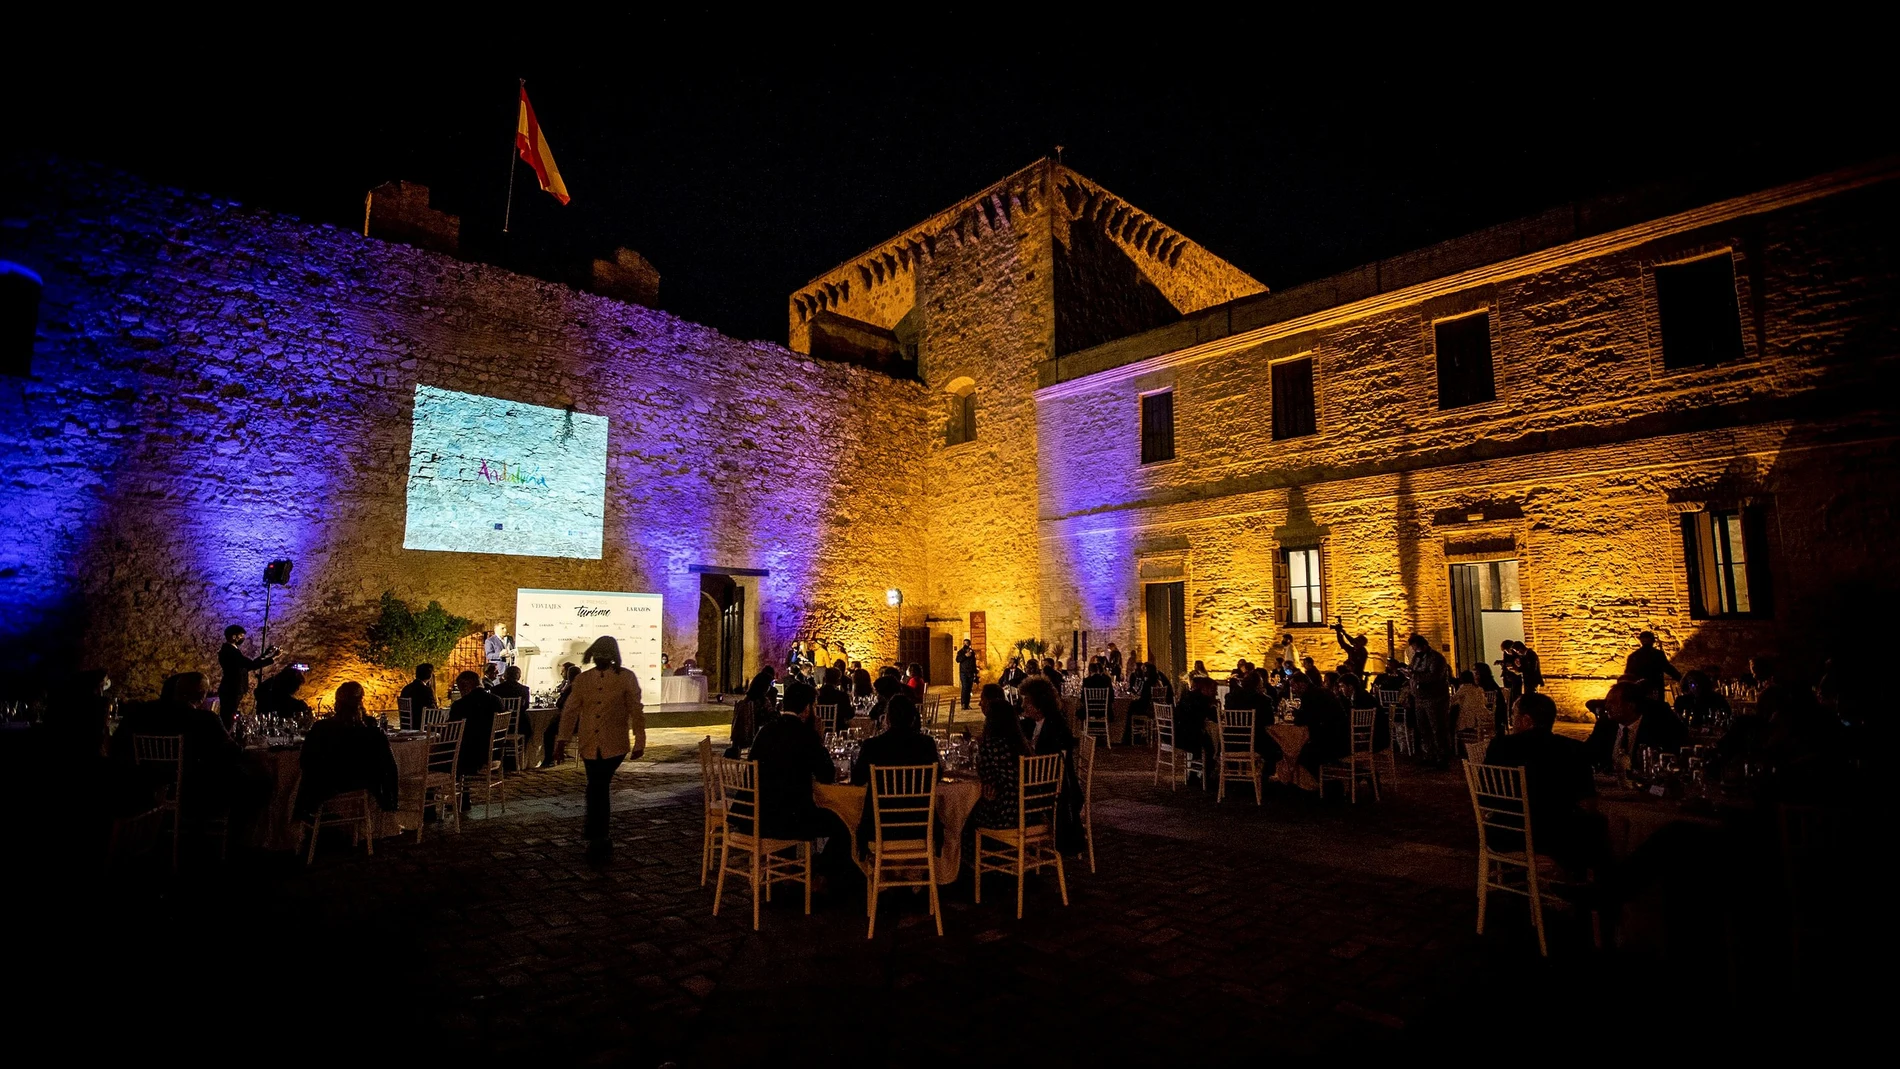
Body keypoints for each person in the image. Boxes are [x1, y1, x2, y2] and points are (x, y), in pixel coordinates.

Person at [1480, 692, 1607, 875]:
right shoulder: (1572, 748)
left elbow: (1485, 794)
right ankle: (1589, 882)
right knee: (1596, 825)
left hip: (1506, 832)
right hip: (1556, 835)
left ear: (1525, 720)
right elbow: (1587, 803)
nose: (1512, 721)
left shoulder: (1500, 746)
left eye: (1514, 716)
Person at [745, 682, 852, 880]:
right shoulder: (805, 735)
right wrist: (819, 740)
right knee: (845, 824)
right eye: (814, 706)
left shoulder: (765, 731)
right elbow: (826, 775)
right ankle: (822, 876)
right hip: (791, 821)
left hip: (757, 816)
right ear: (806, 709)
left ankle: (786, 870)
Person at [112, 671, 251, 819]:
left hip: (141, 782)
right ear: (202, 695)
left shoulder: (140, 712)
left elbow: (117, 742)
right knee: (252, 781)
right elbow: (233, 752)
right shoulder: (206, 719)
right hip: (192, 786)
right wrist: (243, 745)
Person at [559, 636, 646, 859]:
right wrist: (562, 740)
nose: (601, 658)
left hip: (614, 743)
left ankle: (597, 834)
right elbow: (570, 711)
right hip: (590, 742)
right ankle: (597, 834)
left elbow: (636, 710)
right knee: (596, 786)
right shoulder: (583, 679)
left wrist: (639, 740)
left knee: (598, 785)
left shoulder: (626, 678)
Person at [295, 681, 398, 820]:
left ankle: (304, 818)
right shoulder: (372, 730)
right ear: (361, 700)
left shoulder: (321, 728)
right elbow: (388, 764)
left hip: (329, 786)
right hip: (363, 782)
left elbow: (306, 761)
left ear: (337, 701)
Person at [971, 686, 1030, 831]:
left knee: (964, 816)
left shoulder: (991, 745)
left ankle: (977, 852)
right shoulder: (1020, 743)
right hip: (1029, 811)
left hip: (1004, 813)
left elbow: (987, 781)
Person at [850, 693, 940, 785]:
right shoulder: (927, 744)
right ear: (913, 719)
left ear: (887, 719)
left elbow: (858, 779)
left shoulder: (872, 745)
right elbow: (937, 776)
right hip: (918, 799)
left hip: (881, 799)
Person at [446, 670, 502, 804]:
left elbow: (451, 732)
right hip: (494, 752)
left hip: (472, 756)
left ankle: (430, 807)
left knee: (436, 760)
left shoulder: (460, 705)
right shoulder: (496, 700)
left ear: (466, 687)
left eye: (460, 689)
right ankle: (463, 799)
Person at [215, 623, 277, 728]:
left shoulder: (232, 650)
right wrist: (273, 658)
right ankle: (227, 738)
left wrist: (266, 654)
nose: (243, 638)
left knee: (228, 714)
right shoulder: (231, 652)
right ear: (234, 636)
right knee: (228, 716)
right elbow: (251, 665)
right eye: (241, 636)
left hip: (233, 688)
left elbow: (247, 666)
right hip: (232, 688)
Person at [1406, 633, 1454, 767]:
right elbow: (1413, 670)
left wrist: (1414, 675)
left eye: (1417, 648)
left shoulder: (1437, 658)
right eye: (1414, 649)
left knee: (1437, 727)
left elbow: (1433, 676)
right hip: (1419, 698)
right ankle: (1428, 754)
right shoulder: (1416, 658)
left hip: (1435, 698)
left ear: (1424, 645)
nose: (1415, 651)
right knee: (1423, 728)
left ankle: (1442, 756)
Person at [1290, 672, 1348, 775]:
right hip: (1342, 738)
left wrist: (1296, 714)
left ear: (1302, 684)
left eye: (1293, 686)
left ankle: (1311, 784)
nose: (1292, 690)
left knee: (1295, 753)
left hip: (1330, 743)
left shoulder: (1309, 695)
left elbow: (1304, 721)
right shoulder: (1323, 692)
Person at [1176, 675, 1219, 791]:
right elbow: (1214, 719)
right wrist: (1214, 706)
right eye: (1214, 690)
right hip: (1189, 736)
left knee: (1202, 746)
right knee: (1211, 748)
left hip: (1179, 734)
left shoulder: (1187, 697)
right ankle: (1207, 777)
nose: (1215, 693)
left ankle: (1194, 776)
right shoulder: (1203, 701)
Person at [539, 662, 580, 768]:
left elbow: (559, 704)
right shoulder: (581, 687)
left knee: (548, 732)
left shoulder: (571, 688)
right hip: (581, 722)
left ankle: (548, 758)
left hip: (572, 723)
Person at [1623, 631, 1680, 699]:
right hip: (1654, 689)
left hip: (1640, 691)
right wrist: (1680, 678)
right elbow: (1668, 668)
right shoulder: (1658, 655)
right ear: (1652, 641)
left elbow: (1628, 675)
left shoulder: (1633, 656)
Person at [1452, 670, 1491, 736]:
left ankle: (1455, 736)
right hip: (1481, 712)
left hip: (1469, 713)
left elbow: (1454, 698)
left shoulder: (1464, 688)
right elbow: (1485, 701)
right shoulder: (1479, 688)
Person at [399, 664, 437, 728]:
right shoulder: (426, 690)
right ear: (430, 676)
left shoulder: (406, 688)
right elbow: (432, 709)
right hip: (420, 725)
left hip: (406, 724)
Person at [816, 667, 853, 731]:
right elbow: (849, 715)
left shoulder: (816, 694)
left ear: (824, 678)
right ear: (838, 681)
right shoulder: (842, 696)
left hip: (818, 728)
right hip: (838, 728)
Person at [956, 638, 979, 711]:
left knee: (969, 688)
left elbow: (974, 662)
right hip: (963, 672)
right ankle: (963, 704)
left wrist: (975, 672)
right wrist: (965, 656)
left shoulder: (972, 653)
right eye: (964, 643)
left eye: (967, 643)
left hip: (971, 672)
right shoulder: (960, 652)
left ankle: (967, 704)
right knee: (965, 687)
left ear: (969, 644)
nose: (966, 645)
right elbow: (958, 660)